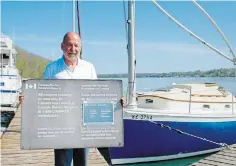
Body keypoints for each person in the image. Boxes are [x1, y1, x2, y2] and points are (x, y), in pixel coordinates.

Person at [19, 32, 125, 166]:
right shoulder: (52, 69)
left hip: (83, 127)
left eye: (76, 45)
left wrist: (116, 100)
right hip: (60, 127)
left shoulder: (89, 68)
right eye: (69, 45)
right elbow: (40, 95)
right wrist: (27, 99)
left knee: (82, 163)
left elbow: (99, 96)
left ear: (80, 47)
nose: (73, 49)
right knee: (62, 164)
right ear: (62, 46)